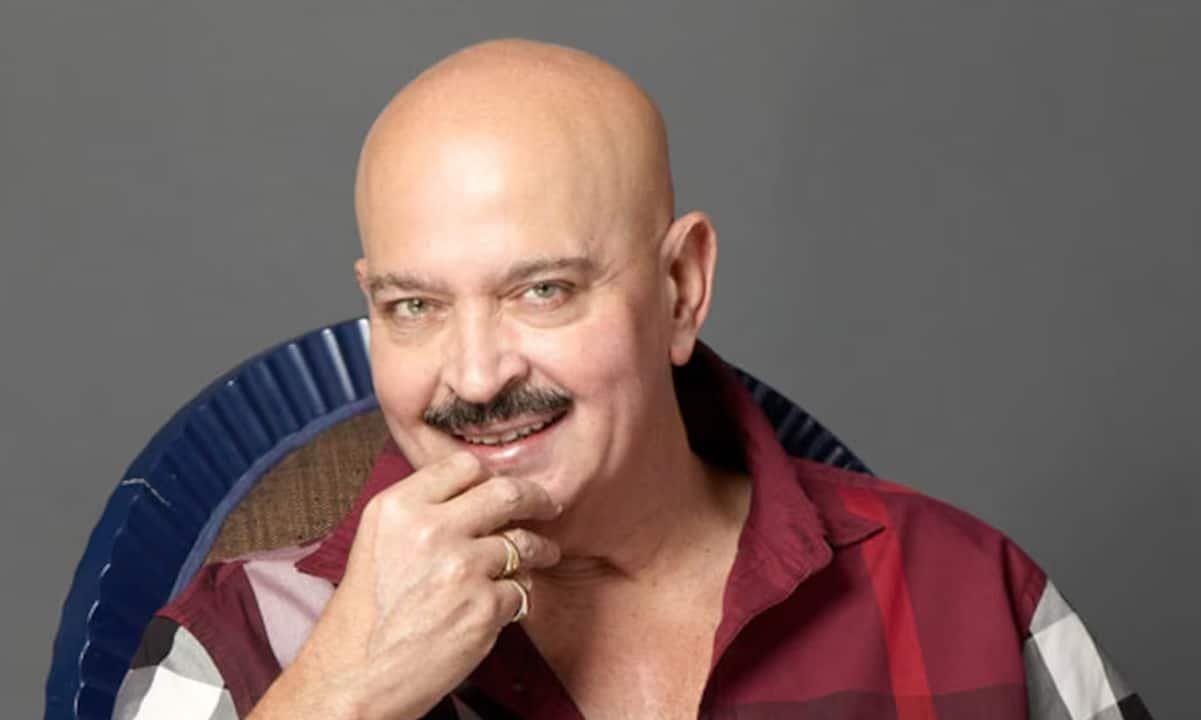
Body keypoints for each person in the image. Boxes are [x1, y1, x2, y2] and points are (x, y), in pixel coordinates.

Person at [112, 39, 1151, 720]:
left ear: (681, 288)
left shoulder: (972, 597)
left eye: (543, 290)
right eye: (414, 306)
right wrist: (342, 696)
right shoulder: (236, 644)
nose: (473, 376)